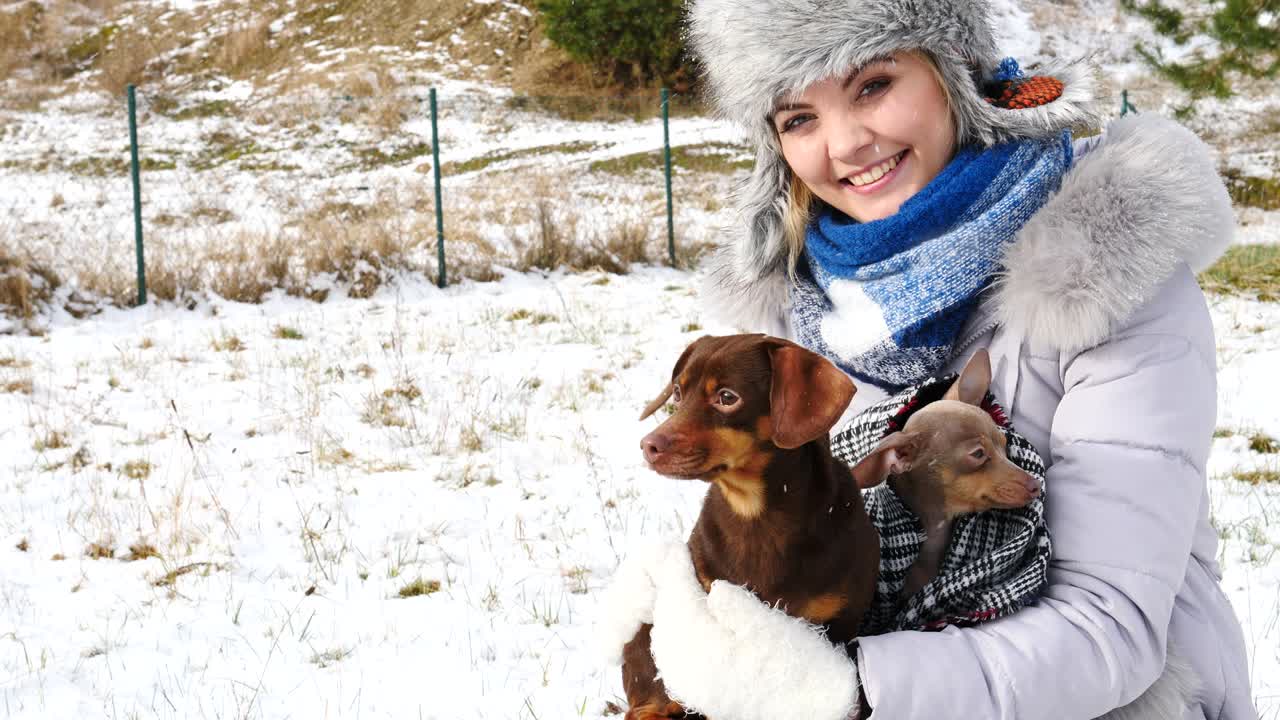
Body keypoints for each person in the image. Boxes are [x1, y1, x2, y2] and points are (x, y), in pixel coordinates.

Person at [627, 0, 1259, 718]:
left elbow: (1110, 627)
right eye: (798, 118)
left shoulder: (1102, 275)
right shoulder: (791, 325)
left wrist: (840, 686)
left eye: (872, 85)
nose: (845, 144)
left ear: (956, 76)